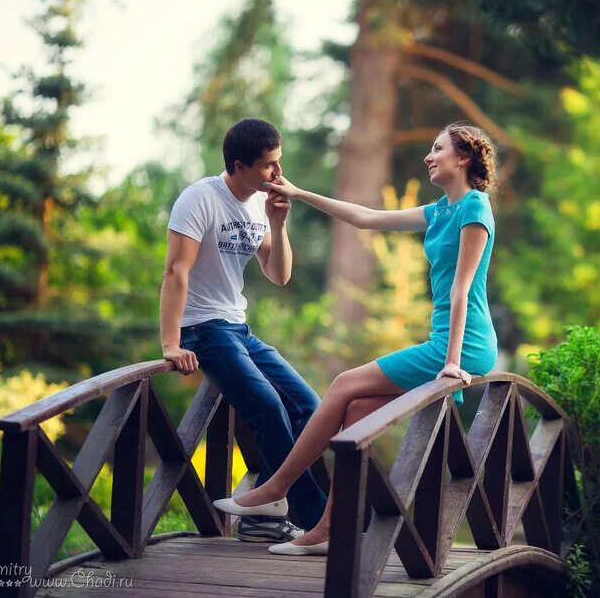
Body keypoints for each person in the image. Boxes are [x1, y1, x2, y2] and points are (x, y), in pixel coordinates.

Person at [213, 122, 498, 556]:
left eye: (437, 148)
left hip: (463, 346)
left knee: (345, 382)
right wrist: (300, 193)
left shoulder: (475, 208)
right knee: (359, 409)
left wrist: (452, 362)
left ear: (462, 158)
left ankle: (276, 487)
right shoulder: (441, 210)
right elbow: (365, 218)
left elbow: (462, 289)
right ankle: (330, 530)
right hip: (445, 342)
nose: (428, 155)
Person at [160, 118, 328, 543]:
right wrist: (171, 343)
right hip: (204, 330)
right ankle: (318, 522)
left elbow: (279, 275)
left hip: (239, 327)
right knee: (268, 407)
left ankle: (263, 513)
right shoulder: (200, 199)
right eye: (270, 166)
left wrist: (278, 223)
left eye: (279, 163)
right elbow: (175, 272)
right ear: (240, 165)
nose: (278, 174)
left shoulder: (258, 202)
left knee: (311, 407)